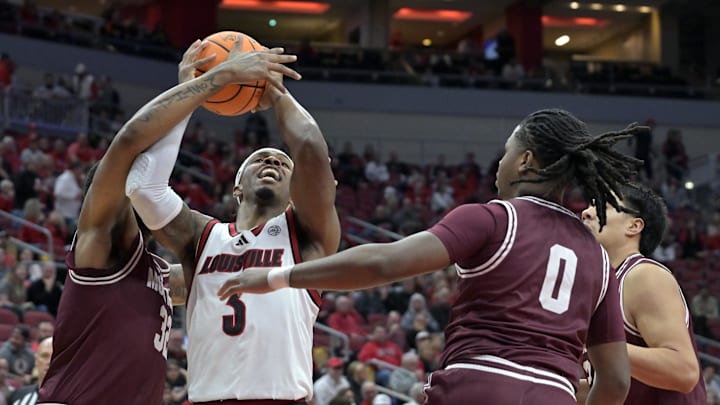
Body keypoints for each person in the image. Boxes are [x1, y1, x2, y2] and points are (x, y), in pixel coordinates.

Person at [217, 109, 645, 405]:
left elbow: (384, 263)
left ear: (527, 161)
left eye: (509, 151)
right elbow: (616, 380)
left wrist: (278, 277)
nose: (501, 161)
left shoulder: (493, 218)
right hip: (556, 391)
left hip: (478, 385)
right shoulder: (598, 254)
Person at [37, 39, 299, 405]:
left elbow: (222, 276)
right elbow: (130, 145)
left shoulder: (155, 273)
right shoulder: (99, 246)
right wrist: (215, 79)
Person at [125, 40, 336, 403]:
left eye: (283, 164)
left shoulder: (307, 234)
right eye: (260, 160)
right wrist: (190, 91)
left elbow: (310, 148)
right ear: (237, 188)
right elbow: (143, 189)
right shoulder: (202, 237)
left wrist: (274, 91)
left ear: (295, 189)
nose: (272, 162)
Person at [580, 183, 705, 403]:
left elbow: (684, 371)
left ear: (634, 226)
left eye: (603, 206)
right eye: (590, 205)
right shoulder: (600, 287)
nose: (587, 212)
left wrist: (600, 345)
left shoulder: (643, 275)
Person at [8, 337, 52, 405]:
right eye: (45, 356)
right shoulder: (18, 396)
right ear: (36, 360)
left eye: (55, 356)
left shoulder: (71, 397)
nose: (50, 362)